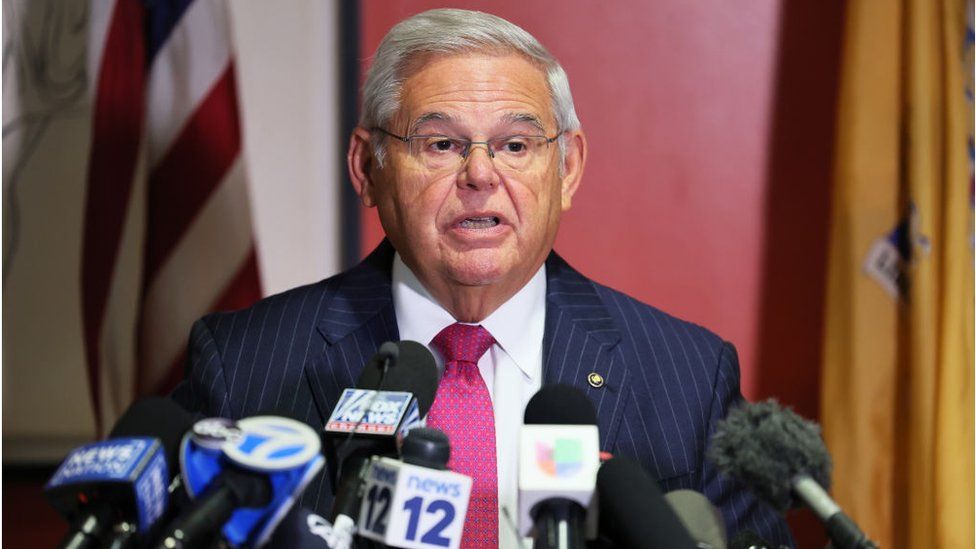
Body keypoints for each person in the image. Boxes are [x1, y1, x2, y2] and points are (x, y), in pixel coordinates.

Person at [173, 8, 793, 548]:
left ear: (568, 168)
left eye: (516, 145)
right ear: (367, 167)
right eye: (441, 143)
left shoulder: (687, 378)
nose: (479, 175)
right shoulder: (244, 364)